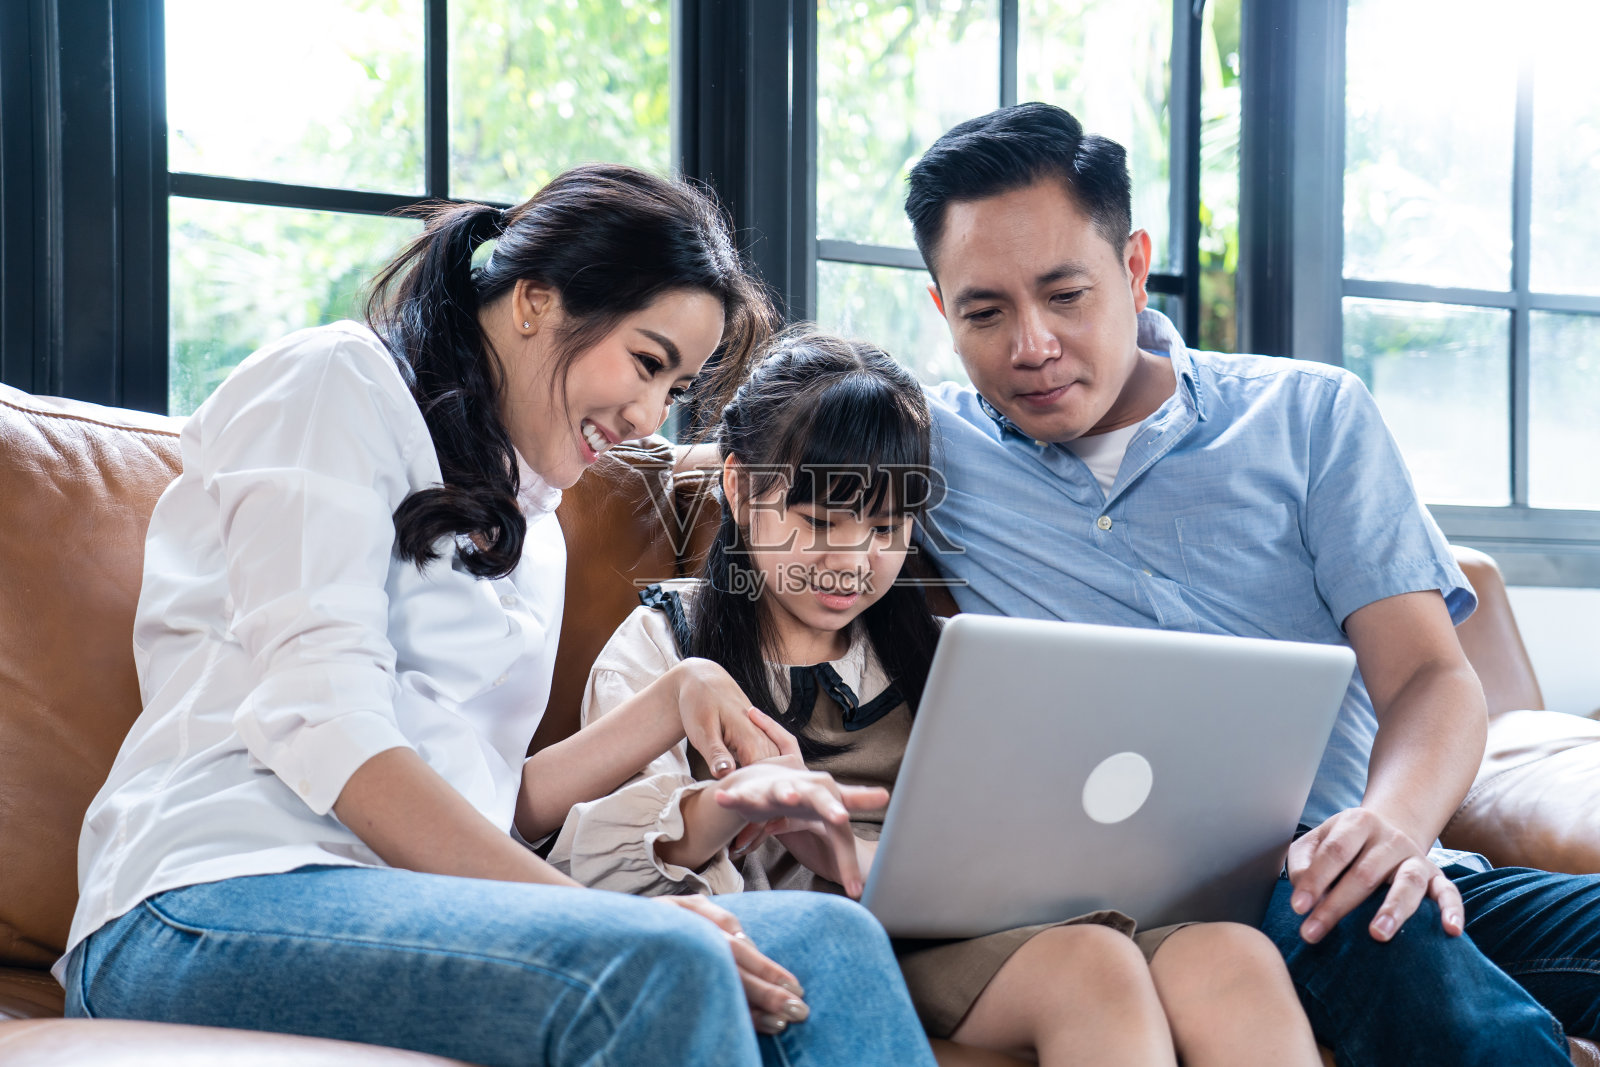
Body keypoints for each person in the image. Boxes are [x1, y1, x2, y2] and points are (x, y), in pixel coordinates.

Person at [56, 164, 938, 1067]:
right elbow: (327, 728)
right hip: (209, 894)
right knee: (662, 958)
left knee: (833, 943)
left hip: (407, 897)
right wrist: (593, 914)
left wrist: (676, 694)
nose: (646, 418)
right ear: (534, 301)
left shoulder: (537, 519)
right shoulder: (332, 383)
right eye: (646, 361)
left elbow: (491, 802)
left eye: (672, 391)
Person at [901, 101, 1600, 1064]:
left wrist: (1390, 825)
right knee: (1343, 912)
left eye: (1066, 295)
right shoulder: (918, 452)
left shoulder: (1309, 418)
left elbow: (1430, 680)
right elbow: (729, 456)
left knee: (1368, 893)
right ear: (942, 311)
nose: (1031, 345)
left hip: (1394, 864)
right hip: (1207, 918)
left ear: (1135, 267)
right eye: (984, 312)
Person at [547, 328, 1321, 1066]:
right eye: (817, 521)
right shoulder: (668, 644)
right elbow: (595, 868)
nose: (850, 561)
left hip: (986, 919)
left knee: (1235, 953)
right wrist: (735, 804)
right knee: (1093, 968)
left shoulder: (941, 652)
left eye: (886, 530)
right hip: (853, 944)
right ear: (740, 486)